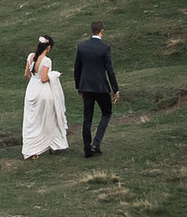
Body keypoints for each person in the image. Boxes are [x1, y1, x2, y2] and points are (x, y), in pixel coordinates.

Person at [73, 21, 121, 157]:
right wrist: (115, 89)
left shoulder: (82, 47)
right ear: (102, 31)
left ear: (91, 30)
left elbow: (77, 68)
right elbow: (109, 71)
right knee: (106, 113)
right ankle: (96, 143)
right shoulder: (104, 48)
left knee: (87, 118)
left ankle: (87, 149)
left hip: (86, 87)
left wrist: (79, 87)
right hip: (101, 87)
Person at [20, 35, 69, 158]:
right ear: (48, 47)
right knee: (48, 118)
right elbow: (44, 78)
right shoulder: (46, 60)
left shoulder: (31, 57)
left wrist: (32, 83)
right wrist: (55, 74)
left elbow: (26, 74)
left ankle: (32, 149)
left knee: (32, 121)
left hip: (31, 89)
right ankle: (51, 144)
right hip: (43, 92)